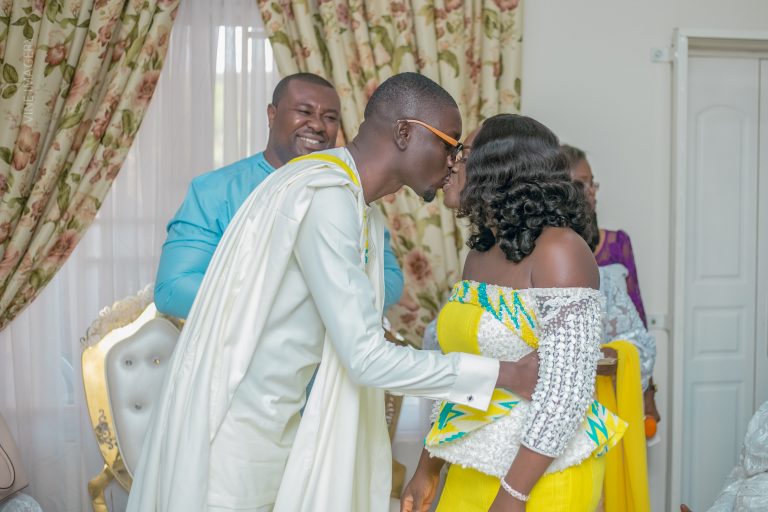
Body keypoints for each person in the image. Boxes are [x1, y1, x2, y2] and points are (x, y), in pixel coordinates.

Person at [126, 73, 540, 512]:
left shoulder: (355, 205)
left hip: (276, 426)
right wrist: (504, 375)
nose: (455, 163)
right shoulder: (325, 196)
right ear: (405, 133)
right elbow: (365, 357)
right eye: (449, 144)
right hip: (233, 437)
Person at [401, 114, 626, 512]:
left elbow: (567, 392)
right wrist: (428, 466)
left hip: (542, 477)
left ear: (500, 167)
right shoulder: (480, 254)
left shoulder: (561, 251)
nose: (450, 163)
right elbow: (466, 373)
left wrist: (513, 495)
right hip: (470, 462)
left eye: (463, 155)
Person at [154, 72, 404, 319]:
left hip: (336, 344)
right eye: (304, 112)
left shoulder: (349, 191)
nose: (318, 125)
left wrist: (334, 300)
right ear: (272, 115)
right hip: (242, 344)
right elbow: (173, 288)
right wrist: (287, 308)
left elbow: (389, 278)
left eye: (329, 117)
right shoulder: (215, 190)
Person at [562, 145, 660, 423]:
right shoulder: (546, 253)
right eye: (581, 184)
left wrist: (649, 393)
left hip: (617, 381)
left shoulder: (617, 243)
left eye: (592, 183)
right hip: (569, 388)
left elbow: (637, 319)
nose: (591, 192)